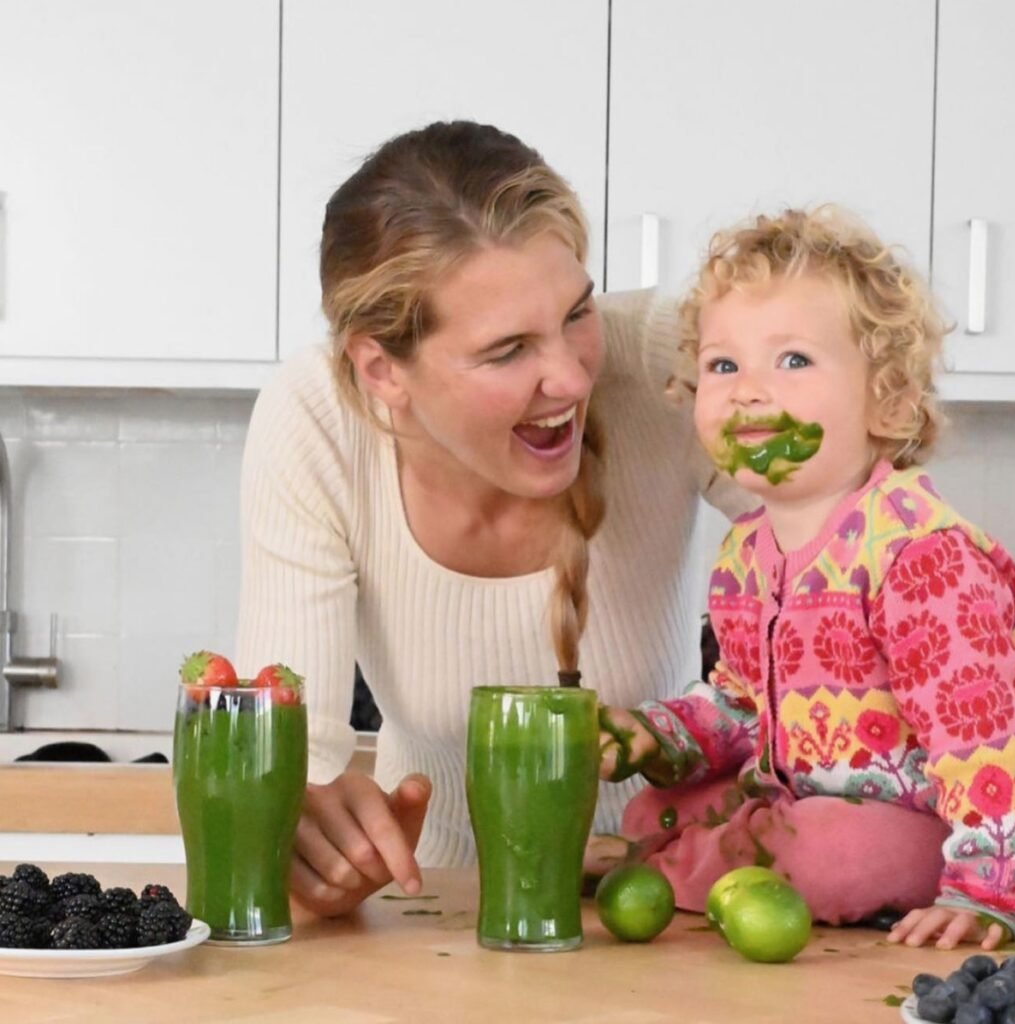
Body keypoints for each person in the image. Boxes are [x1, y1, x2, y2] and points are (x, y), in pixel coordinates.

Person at [235, 121, 748, 917]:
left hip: (680, 895)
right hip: (432, 905)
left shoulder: (666, 358)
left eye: (577, 313)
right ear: (382, 369)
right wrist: (305, 834)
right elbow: (284, 755)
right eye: (508, 350)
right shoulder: (318, 417)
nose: (571, 378)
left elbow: (875, 555)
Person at [597, 206, 1015, 951]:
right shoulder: (743, 555)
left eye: (792, 360)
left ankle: (683, 869)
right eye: (723, 365)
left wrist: (988, 889)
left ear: (888, 400)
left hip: (927, 823)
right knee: (650, 810)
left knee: (826, 851)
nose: (748, 390)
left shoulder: (919, 554)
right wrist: (658, 735)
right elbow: (743, 705)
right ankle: (695, 861)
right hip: (803, 798)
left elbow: (984, 741)